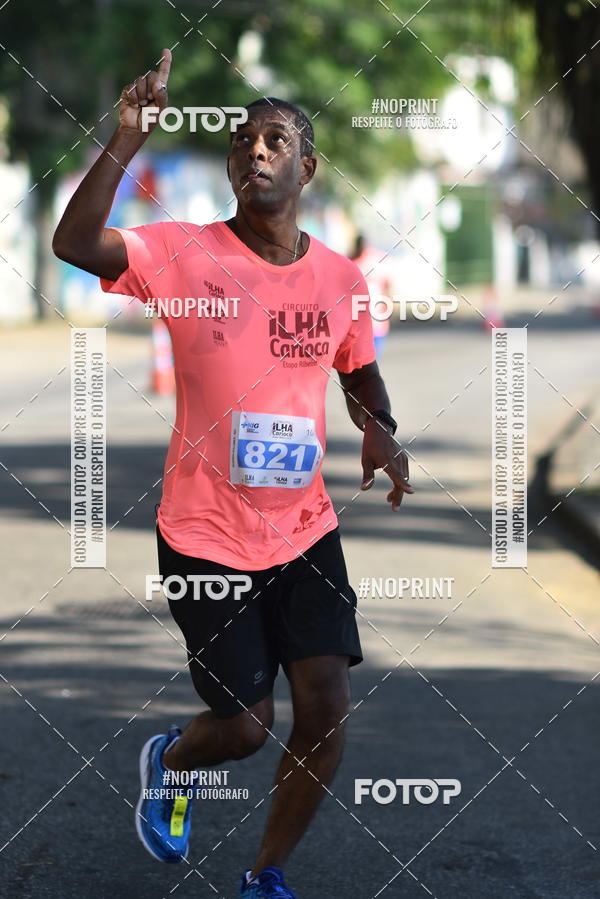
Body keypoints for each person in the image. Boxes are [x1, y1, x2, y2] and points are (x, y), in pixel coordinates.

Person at [53, 48, 413, 898]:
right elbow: (75, 243)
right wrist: (124, 141)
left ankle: (267, 874)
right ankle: (172, 758)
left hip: (304, 529)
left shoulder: (340, 278)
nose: (257, 150)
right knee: (247, 727)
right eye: (243, 141)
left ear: (307, 167)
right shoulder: (181, 256)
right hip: (204, 534)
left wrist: (380, 429)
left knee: (325, 706)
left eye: (276, 139)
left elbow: (356, 366)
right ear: (228, 166)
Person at [349, 234, 394, 358]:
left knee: (371, 357)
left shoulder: (374, 260)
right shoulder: (352, 263)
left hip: (375, 318)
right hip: (361, 320)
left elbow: (387, 284)